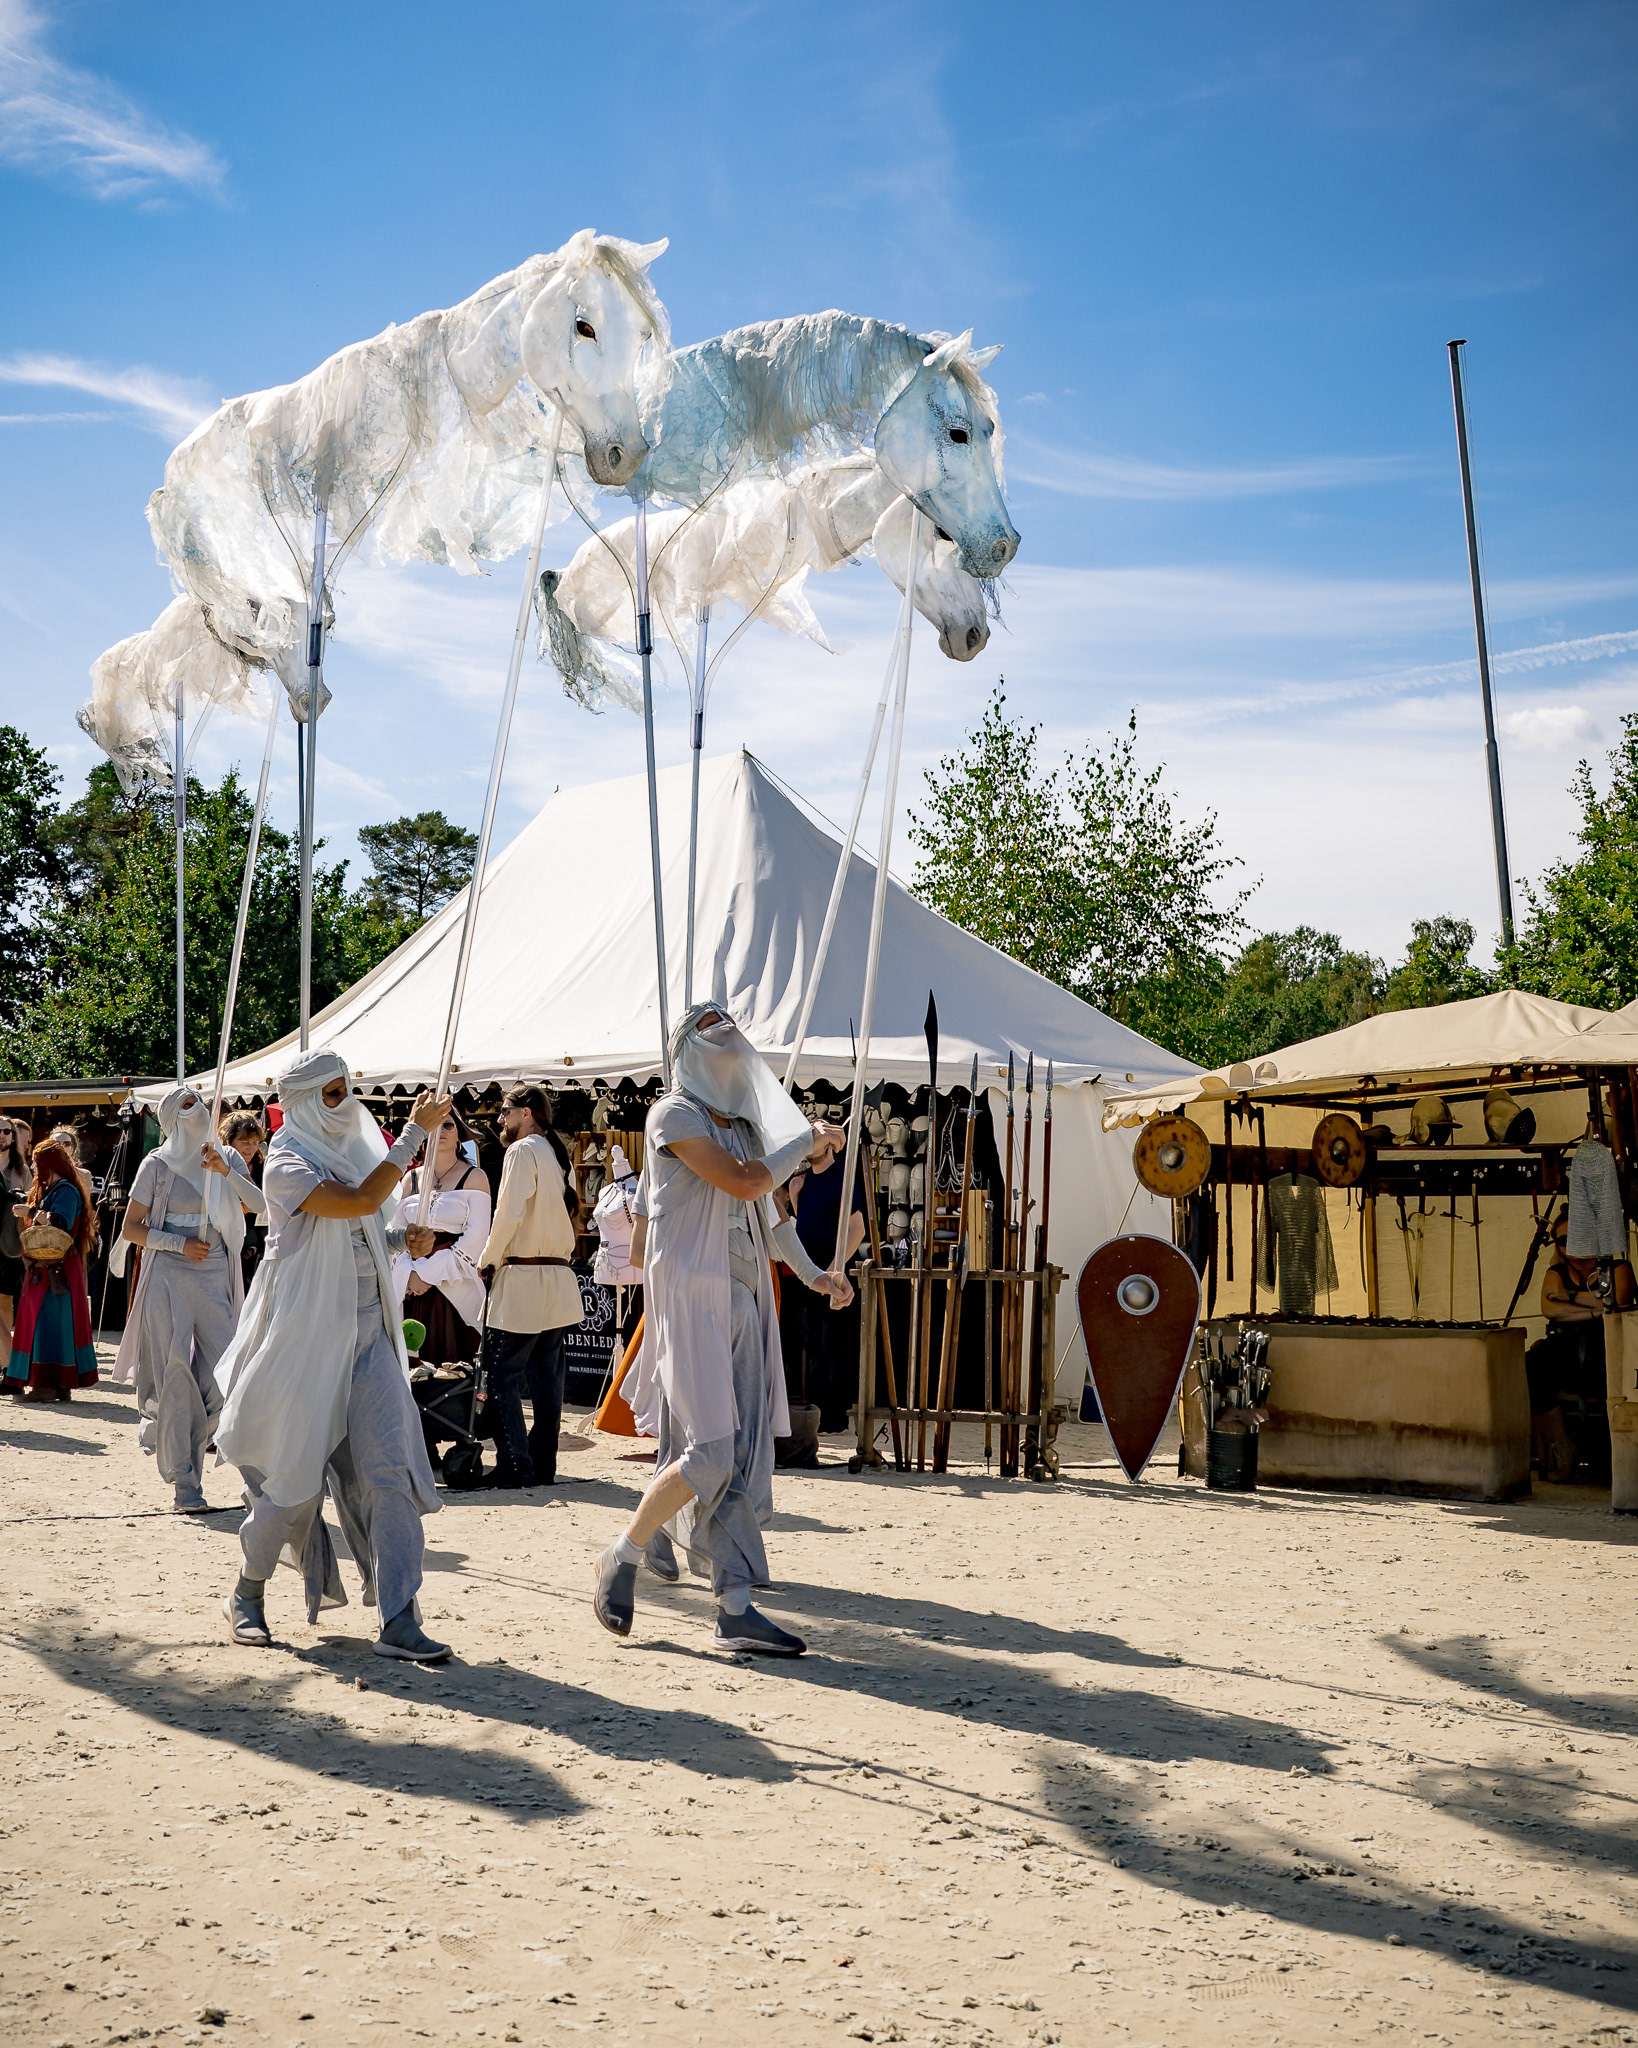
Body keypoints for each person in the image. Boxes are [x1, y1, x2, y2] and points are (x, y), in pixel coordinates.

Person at [595, 1002, 852, 1656]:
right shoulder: (672, 1114)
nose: (732, 1053)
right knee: (707, 1451)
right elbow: (742, 1184)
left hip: (743, 1297)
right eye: (716, 1042)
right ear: (688, 1053)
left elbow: (773, 1216)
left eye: (735, 1042)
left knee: (731, 1456)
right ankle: (625, 1552)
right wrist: (800, 1141)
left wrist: (817, 1274)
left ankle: (733, 1608)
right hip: (690, 1295)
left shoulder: (740, 1125)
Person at [213, 1049, 450, 1660]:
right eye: (332, 1092)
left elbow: (364, 1221)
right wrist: (414, 1138)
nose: (345, 1101)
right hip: (307, 1342)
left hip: (371, 1337)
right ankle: (248, 1592)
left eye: (348, 1089)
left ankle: (399, 1614)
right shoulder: (286, 1161)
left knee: (390, 1471)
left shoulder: (357, 1153)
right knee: (292, 1490)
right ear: (302, 1103)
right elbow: (352, 1203)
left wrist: (402, 1237)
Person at [113, 1086, 267, 1513]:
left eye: (198, 1101)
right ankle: (186, 1482)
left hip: (217, 1274)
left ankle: (251, 1477)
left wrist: (225, 1171)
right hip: (169, 1278)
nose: (195, 1110)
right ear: (168, 1119)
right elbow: (131, 1228)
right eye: (184, 1105)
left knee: (229, 1373)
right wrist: (177, 1245)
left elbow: (261, 1207)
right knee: (176, 1375)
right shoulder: (156, 1165)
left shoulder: (227, 1156)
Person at [476, 1084, 582, 1490]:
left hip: (524, 1276)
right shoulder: (556, 1154)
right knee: (546, 1381)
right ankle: (542, 1466)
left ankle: (516, 1465)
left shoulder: (522, 1151)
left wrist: (487, 1258)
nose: (500, 1119)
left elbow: (508, 1212)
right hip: (554, 1277)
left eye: (505, 1111)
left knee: (501, 1374)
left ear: (528, 1113)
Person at [1528, 1208, 1635, 1479]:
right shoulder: (1556, 1271)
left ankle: (1617, 1454)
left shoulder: (1619, 1268)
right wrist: (1598, 1307)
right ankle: (1561, 1445)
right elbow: (1550, 1310)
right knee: (1531, 1366)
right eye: (1564, 1241)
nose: (1572, 1247)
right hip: (1565, 1348)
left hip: (1608, 1347)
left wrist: (1569, 1298)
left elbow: (1620, 1301)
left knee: (1613, 1376)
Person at [780, 1130, 868, 1433]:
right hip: (808, 1275)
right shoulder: (802, 1181)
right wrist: (794, 1193)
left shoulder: (842, 1178)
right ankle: (819, 1414)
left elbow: (857, 1229)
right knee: (812, 1345)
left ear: (829, 1145)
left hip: (829, 1274)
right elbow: (803, 1224)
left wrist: (834, 1267)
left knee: (832, 1346)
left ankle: (835, 1416)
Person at [389, 1105, 491, 1364]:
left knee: (452, 1367)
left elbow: (477, 1237)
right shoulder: (409, 1179)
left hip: (454, 1285)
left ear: (460, 1135)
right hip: (410, 1287)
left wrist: (428, 1273)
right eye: (434, 1125)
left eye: (448, 1125)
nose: (441, 1131)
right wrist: (409, 1274)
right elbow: (392, 1233)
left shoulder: (475, 1177)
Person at [5, 1137, 98, 1401]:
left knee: (49, 1325)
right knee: (49, 1324)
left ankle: (46, 1385)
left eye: (36, 1162)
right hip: (48, 1270)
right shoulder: (54, 1189)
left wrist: (31, 1211)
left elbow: (62, 1223)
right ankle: (56, 1385)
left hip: (57, 1272)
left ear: (49, 1163)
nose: (33, 1167)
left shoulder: (66, 1190)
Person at [220, 1111, 269, 1292]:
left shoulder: (263, 1167)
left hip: (260, 1246)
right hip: (229, 1247)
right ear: (229, 1142)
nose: (250, 1148)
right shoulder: (218, 1168)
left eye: (255, 1143)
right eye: (244, 1142)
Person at [0, 1118, 31, 1369]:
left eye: (6, 1131)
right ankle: (9, 1363)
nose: (1, 1135)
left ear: (12, 1136)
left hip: (10, 1244)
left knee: (5, 1302)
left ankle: (6, 1364)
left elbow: (31, 1207)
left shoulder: (21, 1170)